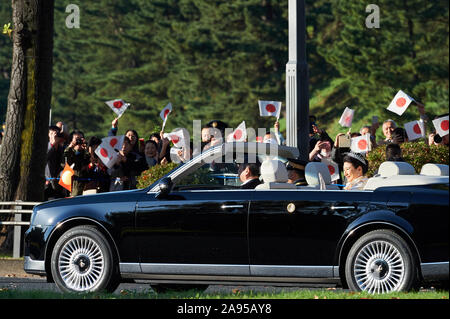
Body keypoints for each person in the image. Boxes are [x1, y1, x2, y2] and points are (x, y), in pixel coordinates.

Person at [64, 129, 91, 196]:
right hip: (70, 182)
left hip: (81, 182)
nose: (79, 141)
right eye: (77, 139)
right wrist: (71, 146)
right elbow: (65, 156)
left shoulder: (84, 152)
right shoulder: (69, 151)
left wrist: (86, 149)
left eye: (81, 139)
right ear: (71, 140)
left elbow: (87, 161)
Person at [44, 125, 66, 200]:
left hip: (59, 184)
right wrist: (52, 144)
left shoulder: (61, 149)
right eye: (51, 133)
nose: (55, 136)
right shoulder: (45, 147)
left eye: (56, 134)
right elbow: (45, 158)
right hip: (47, 184)